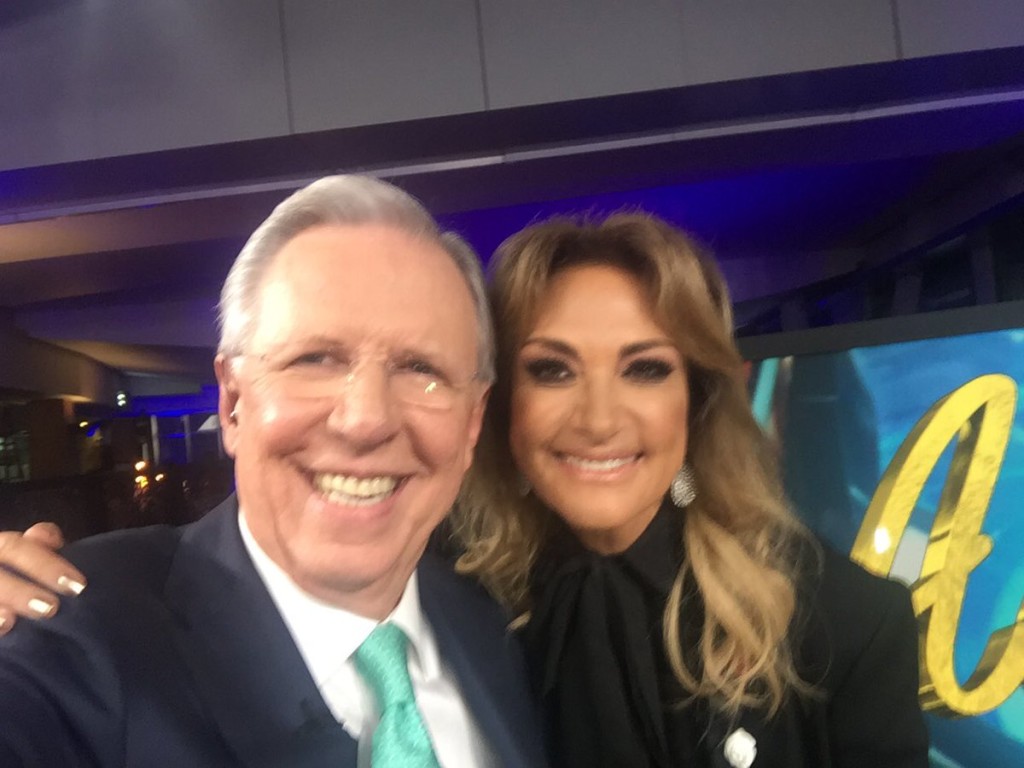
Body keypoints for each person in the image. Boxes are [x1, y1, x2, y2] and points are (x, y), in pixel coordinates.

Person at [0, 212, 928, 767]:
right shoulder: (441, 576)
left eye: (645, 369)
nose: (599, 419)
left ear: (699, 396)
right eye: (553, 370)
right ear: (497, 407)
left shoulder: (843, 621)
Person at [0, 176, 547, 767]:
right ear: (233, 403)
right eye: (314, 359)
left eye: (421, 369)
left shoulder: (495, 624)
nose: (365, 420)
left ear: (472, 422)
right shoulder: (77, 637)